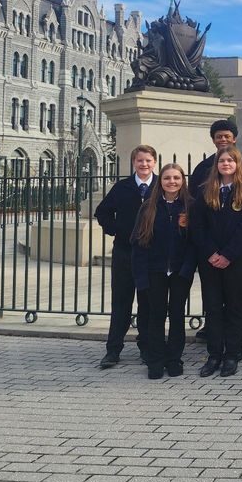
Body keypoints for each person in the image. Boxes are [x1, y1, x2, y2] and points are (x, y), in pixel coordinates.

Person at [190, 146, 242, 377]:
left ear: (238, 164)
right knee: (213, 307)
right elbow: (197, 226)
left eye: (231, 160)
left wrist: (228, 254)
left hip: (237, 259)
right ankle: (214, 354)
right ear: (216, 165)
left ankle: (232, 354)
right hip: (209, 259)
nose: (226, 164)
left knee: (234, 307)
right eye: (222, 161)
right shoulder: (204, 191)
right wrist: (211, 253)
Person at [130, 163, 197, 379]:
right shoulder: (148, 207)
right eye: (167, 178)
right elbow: (138, 243)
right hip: (154, 270)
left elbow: (195, 243)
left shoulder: (191, 206)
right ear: (161, 181)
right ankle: (155, 359)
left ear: (182, 181)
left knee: (177, 315)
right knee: (155, 316)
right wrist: (141, 277)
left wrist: (187, 269)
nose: (172, 182)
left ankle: (174, 358)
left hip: (179, 272)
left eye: (176, 178)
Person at [95, 145, 157, 369]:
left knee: (147, 303)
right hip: (125, 252)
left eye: (148, 161)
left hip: (151, 254)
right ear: (134, 163)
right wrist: (117, 230)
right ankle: (113, 350)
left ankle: (147, 347)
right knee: (121, 302)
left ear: (154, 163)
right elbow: (102, 212)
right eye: (140, 161)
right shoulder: (123, 187)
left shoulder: (161, 186)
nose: (144, 165)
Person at [190, 120, 238, 193]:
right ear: (213, 140)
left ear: (234, 139)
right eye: (219, 137)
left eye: (227, 136)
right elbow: (193, 194)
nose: (223, 139)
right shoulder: (202, 167)